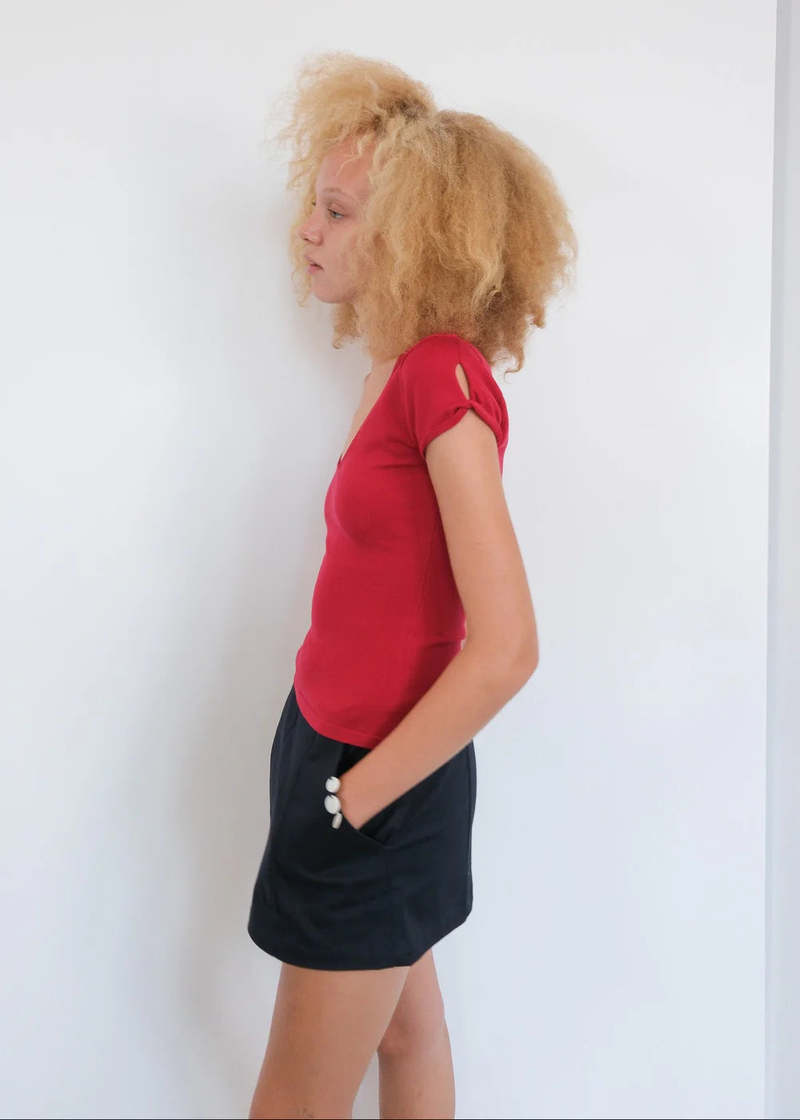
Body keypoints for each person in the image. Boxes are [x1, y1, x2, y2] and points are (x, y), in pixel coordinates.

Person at [246, 50, 577, 1120]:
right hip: (338, 748)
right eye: (315, 204)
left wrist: (360, 796)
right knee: (404, 1031)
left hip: (374, 775)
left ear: (411, 239)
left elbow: (508, 647)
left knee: (292, 1102)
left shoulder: (442, 376)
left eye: (338, 213)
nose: (307, 229)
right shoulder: (397, 369)